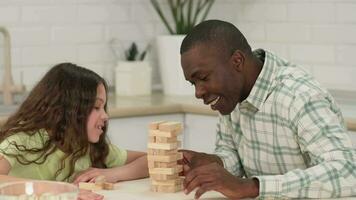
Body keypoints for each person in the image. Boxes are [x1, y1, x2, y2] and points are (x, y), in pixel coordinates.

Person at [179, 19, 356, 199]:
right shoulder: (231, 95)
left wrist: (251, 187)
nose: (198, 92)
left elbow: (347, 171)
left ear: (237, 61)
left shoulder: (299, 95)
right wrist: (214, 162)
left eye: (203, 77)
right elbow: (235, 156)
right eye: (193, 83)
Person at [0, 63, 148, 199]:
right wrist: (60, 190)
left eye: (104, 107)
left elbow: (154, 162)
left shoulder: (85, 147)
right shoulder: (24, 139)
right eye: (96, 107)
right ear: (68, 110)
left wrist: (112, 174)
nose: (105, 116)